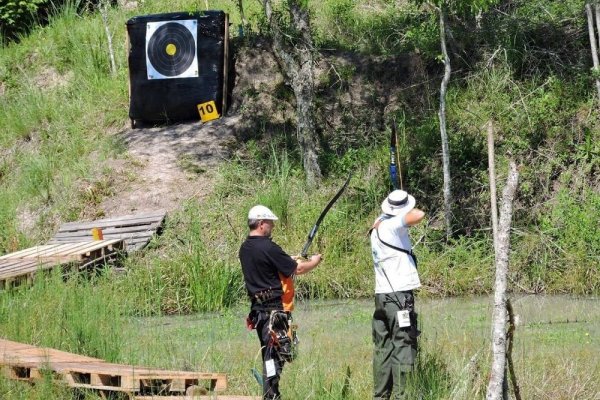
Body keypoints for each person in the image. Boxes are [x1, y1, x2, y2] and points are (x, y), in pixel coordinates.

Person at [239, 205, 322, 400]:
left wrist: (289, 258)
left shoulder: (245, 248)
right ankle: (271, 395)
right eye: (270, 223)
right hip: (274, 313)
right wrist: (316, 261)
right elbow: (298, 270)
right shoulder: (269, 247)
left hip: (259, 313)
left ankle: (271, 393)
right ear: (261, 224)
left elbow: (270, 264)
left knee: (271, 355)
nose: (272, 227)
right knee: (276, 356)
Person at [369, 190, 425, 400]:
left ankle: (381, 396)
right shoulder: (392, 226)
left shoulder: (378, 225)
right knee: (403, 345)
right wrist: (405, 212)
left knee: (383, 349)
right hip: (399, 297)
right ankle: (403, 396)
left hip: (382, 297)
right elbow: (418, 215)